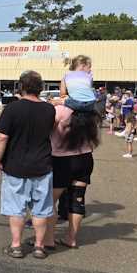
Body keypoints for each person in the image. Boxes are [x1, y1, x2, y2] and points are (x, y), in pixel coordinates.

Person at [0, 70, 56, 259]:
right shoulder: (49, 109)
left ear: (22, 87)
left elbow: (2, 137)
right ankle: (39, 246)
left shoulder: (13, 109)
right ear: (40, 88)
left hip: (15, 166)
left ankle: (16, 246)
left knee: (15, 208)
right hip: (42, 166)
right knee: (41, 209)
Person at [49, 104, 100, 249]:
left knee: (49, 201)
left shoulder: (60, 110)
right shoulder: (92, 112)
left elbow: (45, 130)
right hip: (85, 158)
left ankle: (48, 239)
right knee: (78, 200)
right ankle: (71, 239)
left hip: (61, 160)